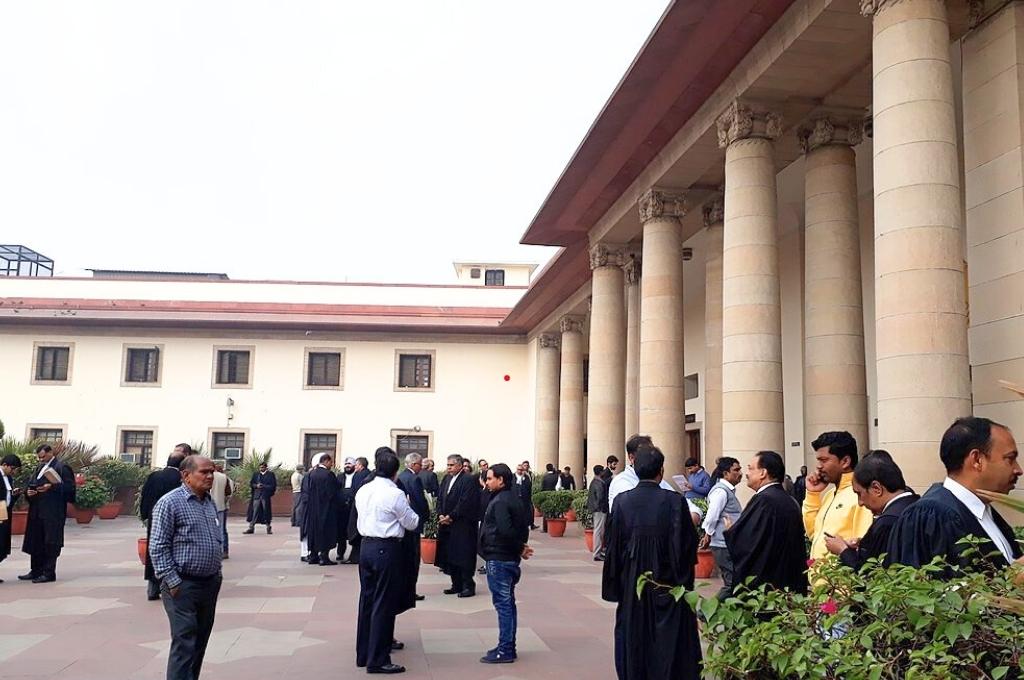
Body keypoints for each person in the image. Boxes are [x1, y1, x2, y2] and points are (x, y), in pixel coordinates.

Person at [601, 446, 701, 680]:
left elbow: (613, 549)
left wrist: (617, 588)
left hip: (633, 585)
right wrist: (684, 585)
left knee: (634, 637)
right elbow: (685, 546)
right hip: (668, 584)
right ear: (661, 471)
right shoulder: (674, 501)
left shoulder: (622, 502)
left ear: (634, 469)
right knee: (670, 641)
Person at [888, 417, 1023, 576]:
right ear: (977, 460)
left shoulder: (984, 512)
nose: (1018, 469)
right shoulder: (930, 517)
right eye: (1010, 459)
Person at [149, 455, 224, 680]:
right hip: (182, 585)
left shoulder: (208, 502)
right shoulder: (169, 503)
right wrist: (172, 582)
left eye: (211, 471)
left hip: (209, 583)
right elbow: (158, 546)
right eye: (204, 472)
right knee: (185, 642)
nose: (210, 476)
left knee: (199, 642)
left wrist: (217, 573)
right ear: (186, 475)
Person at [354, 447, 420, 675]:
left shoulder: (364, 489)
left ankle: (364, 653)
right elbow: (412, 522)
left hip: (366, 547)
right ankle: (378, 659)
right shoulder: (395, 494)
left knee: (368, 600)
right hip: (386, 549)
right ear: (395, 472)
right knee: (383, 603)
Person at [724, 451, 807, 595]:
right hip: (788, 581)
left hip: (767, 587)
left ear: (763, 473)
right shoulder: (789, 500)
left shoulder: (764, 500)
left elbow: (750, 544)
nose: (747, 474)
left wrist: (733, 532)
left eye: (750, 468)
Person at [824, 451, 917, 571]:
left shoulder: (887, 522)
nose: (860, 503)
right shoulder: (916, 505)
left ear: (876, 489)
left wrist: (843, 551)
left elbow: (870, 574)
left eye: (859, 494)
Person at [478, 463, 533, 664]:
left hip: (500, 559)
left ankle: (506, 649)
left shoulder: (501, 500)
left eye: (491, 478)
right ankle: (506, 645)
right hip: (506, 557)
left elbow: (506, 530)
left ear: (501, 480)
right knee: (507, 603)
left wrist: (519, 547)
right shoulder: (511, 498)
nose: (487, 481)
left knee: (504, 605)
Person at [803, 431, 873, 560]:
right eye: (818, 460)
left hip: (841, 578)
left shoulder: (860, 496)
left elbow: (862, 545)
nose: (819, 466)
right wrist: (812, 494)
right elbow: (814, 534)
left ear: (845, 461)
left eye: (824, 460)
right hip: (820, 578)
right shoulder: (830, 495)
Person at [609, 435, 702, 526]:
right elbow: (641, 516)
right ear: (631, 458)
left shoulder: (658, 480)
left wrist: (692, 515)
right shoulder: (621, 482)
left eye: (653, 453)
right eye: (645, 454)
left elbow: (690, 509)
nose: (651, 457)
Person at [20, 444, 75, 583]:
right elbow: (31, 484)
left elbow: (70, 489)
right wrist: (29, 492)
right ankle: (35, 570)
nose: (41, 460)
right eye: (39, 457)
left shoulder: (62, 467)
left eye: (43, 456)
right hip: (37, 510)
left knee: (51, 541)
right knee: (36, 540)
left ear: (51, 453)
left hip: (53, 512)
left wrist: (52, 486)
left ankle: (49, 572)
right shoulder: (39, 467)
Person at [140, 446, 189, 599]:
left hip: (154, 517)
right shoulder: (181, 479)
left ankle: (152, 589)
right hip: (176, 519)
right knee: (173, 550)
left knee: (154, 549)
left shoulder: (154, 476)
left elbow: (145, 497)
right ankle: (171, 585)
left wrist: (145, 515)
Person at [699, 457, 743, 599]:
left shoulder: (727, 491)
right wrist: (708, 533)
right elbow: (712, 515)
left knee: (733, 582)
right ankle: (706, 613)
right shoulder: (721, 492)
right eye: (736, 470)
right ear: (725, 473)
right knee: (732, 583)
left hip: (727, 543)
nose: (740, 473)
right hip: (722, 544)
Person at [436, 454, 479, 597]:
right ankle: (456, 584)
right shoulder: (446, 479)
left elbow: (465, 501)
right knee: (450, 554)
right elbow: (440, 497)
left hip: (462, 525)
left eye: (451, 465)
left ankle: (468, 585)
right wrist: (441, 514)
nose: (448, 468)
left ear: (460, 465)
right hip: (446, 525)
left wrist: (451, 516)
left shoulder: (468, 480)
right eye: (447, 465)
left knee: (463, 555)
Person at [397, 452, 429, 604]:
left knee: (403, 559)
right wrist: (426, 516)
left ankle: (402, 589)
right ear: (414, 464)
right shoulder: (414, 479)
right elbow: (420, 501)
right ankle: (411, 591)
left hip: (402, 525)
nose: (421, 467)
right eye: (420, 464)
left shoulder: (401, 477)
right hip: (413, 523)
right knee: (413, 559)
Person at [303, 453, 339, 565]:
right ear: (326, 461)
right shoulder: (329, 475)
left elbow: (306, 491)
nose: (332, 465)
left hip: (313, 508)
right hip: (326, 509)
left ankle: (313, 556)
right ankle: (324, 557)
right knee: (326, 531)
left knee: (313, 531)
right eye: (331, 462)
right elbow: (332, 493)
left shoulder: (311, 474)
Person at [344, 457, 373, 564]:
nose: (355, 467)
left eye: (356, 465)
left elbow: (354, 490)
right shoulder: (369, 474)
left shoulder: (358, 475)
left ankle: (355, 557)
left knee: (356, 532)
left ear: (361, 465)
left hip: (358, 506)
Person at [0, 454, 23, 582]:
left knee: (2, 544)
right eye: (12, 468)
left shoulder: (8, 478)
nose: (13, 471)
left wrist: (14, 495)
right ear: (5, 465)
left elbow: (7, 497)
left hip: (5, 513)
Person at [244, 462, 277, 535]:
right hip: (257, 496)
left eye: (263, 467)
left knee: (266, 512)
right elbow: (251, 484)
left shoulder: (270, 475)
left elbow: (273, 485)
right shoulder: (256, 474)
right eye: (260, 467)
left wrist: (264, 486)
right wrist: (256, 486)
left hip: (265, 496)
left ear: (266, 467)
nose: (261, 469)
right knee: (254, 511)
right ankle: (251, 527)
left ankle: (268, 527)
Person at [210, 462, 233, 559]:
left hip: (208, 506)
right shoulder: (224, 478)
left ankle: (213, 550)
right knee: (222, 529)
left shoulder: (207, 476)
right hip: (221, 506)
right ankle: (224, 550)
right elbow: (228, 493)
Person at [587, 464, 609, 560]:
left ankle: (598, 551)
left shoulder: (594, 482)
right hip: (599, 509)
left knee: (598, 530)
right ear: (601, 472)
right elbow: (600, 497)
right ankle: (597, 553)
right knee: (599, 531)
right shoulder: (599, 483)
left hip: (596, 509)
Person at [515, 463, 536, 531]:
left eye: (521, 470)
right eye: (518, 469)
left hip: (524, 499)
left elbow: (529, 488)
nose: (520, 471)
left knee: (524, 514)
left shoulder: (526, 478)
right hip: (515, 498)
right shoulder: (512, 477)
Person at [290, 464, 305, 528]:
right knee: (299, 507)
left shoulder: (293, 475)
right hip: (299, 491)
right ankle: (298, 521)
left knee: (295, 507)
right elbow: (303, 484)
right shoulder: (299, 476)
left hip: (294, 491)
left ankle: (293, 521)